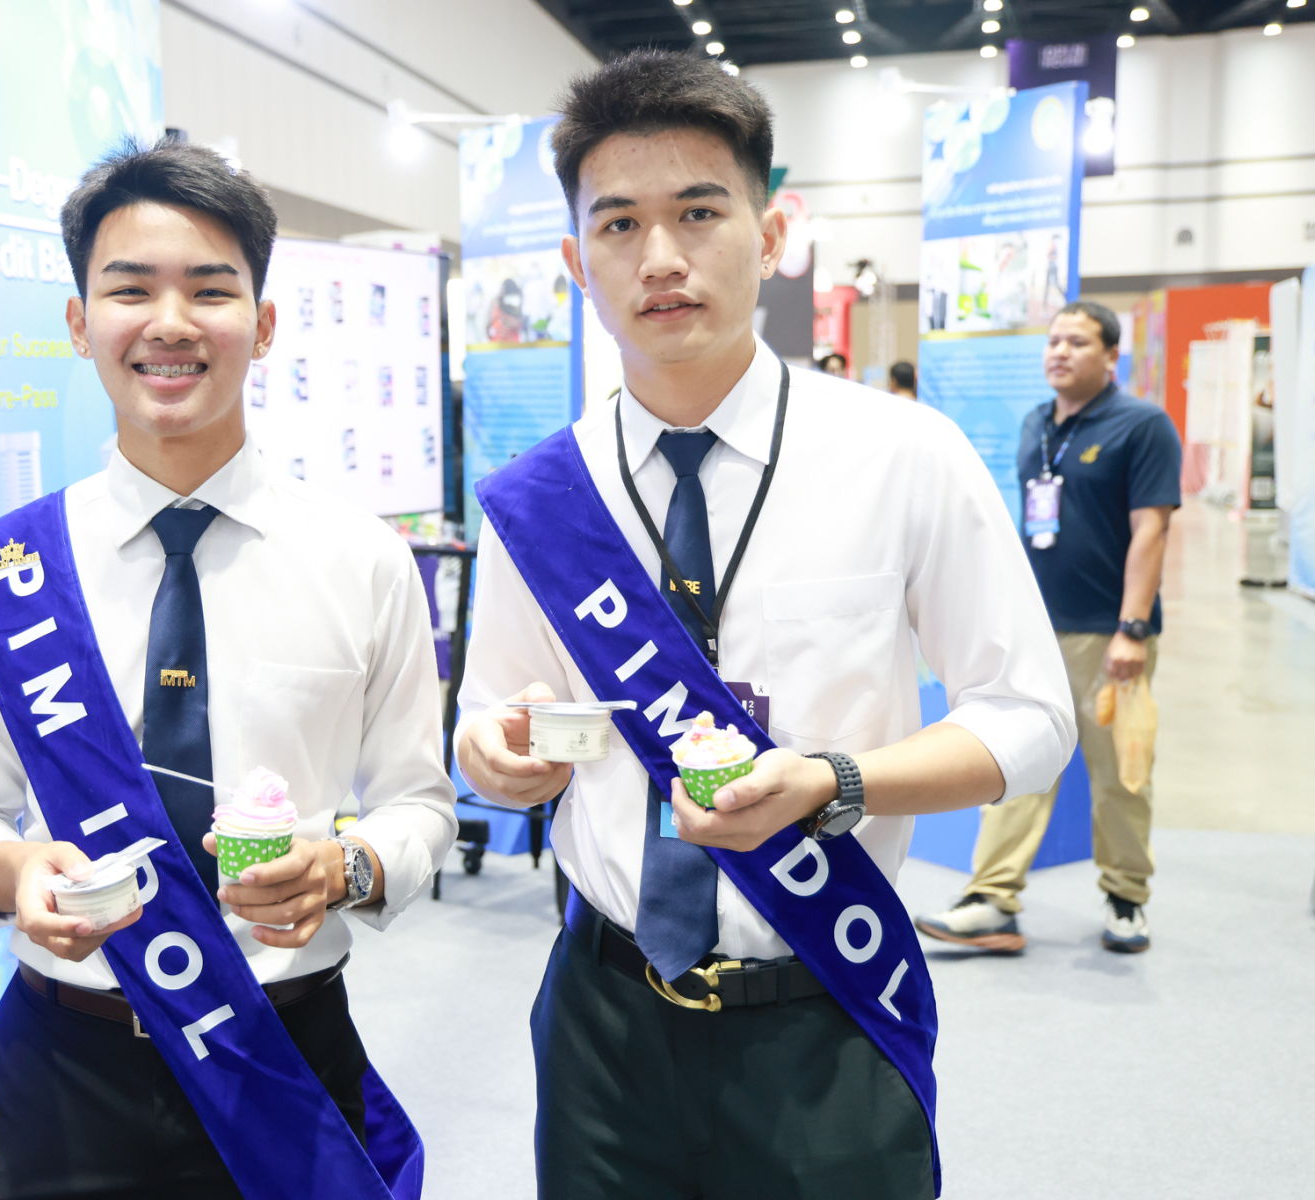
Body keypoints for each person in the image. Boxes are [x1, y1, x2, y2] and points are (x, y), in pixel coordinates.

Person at [456, 50, 1074, 1199]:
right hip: (602, 1023)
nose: (661, 257)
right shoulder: (539, 499)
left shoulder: (901, 455)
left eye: (700, 212)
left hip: (825, 1006)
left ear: (774, 232)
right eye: (619, 224)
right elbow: (490, 718)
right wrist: (494, 755)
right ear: (574, 262)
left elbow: (1032, 718)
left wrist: (837, 783)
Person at [0, 139, 457, 1198]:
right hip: (66, 1077)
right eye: (130, 290)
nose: (170, 323)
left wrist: (345, 868)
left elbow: (420, 804)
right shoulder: (12, 569)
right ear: (80, 324)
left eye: (210, 290)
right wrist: (13, 874)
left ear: (264, 324)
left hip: (284, 1058)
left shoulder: (362, 558)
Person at [916, 301, 1181, 955]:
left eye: (1078, 342)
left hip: (1106, 633)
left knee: (1118, 774)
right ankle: (991, 900)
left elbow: (1151, 530)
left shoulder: (1142, 426)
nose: (1059, 352)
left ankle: (1127, 897)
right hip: (1035, 626)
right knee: (1013, 760)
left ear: (1111, 356)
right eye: (1054, 340)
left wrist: (1132, 627)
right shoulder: (1038, 422)